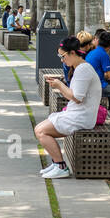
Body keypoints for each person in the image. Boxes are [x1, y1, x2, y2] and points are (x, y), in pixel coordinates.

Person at [34, 36, 102, 179]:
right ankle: (56, 163)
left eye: (63, 56)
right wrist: (60, 85)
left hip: (81, 117)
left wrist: (60, 85)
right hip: (79, 113)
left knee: (40, 131)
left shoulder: (83, 69)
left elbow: (76, 97)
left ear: (72, 53)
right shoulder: (81, 68)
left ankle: (60, 166)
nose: (62, 60)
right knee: (40, 129)